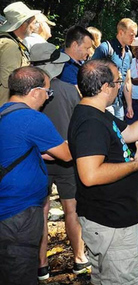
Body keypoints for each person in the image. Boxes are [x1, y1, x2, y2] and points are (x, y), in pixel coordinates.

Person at [68, 59, 138, 284]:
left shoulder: (99, 114)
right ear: (105, 87)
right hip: (110, 220)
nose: (121, 86)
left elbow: (131, 132)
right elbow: (90, 175)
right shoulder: (91, 122)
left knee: (104, 277)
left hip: (109, 217)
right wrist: (135, 165)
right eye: (117, 82)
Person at [0, 66, 71, 285]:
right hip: (20, 214)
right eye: (47, 92)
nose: (48, 98)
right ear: (34, 92)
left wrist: (37, 154)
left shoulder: (3, 112)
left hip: (5, 209)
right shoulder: (32, 119)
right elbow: (67, 155)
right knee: (20, 274)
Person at [29, 43, 90, 280]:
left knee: (42, 211)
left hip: (38, 159)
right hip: (67, 158)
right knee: (72, 209)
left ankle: (41, 264)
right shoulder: (69, 90)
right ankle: (79, 258)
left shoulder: (27, 93)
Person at [92, 18, 137, 120]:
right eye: (131, 35)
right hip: (104, 102)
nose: (134, 38)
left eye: (135, 35)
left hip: (119, 104)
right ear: (121, 32)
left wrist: (129, 105)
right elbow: (90, 74)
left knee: (118, 134)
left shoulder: (128, 54)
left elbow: (127, 81)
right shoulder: (105, 49)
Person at [0, 1, 40, 105]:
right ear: (23, 25)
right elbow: (10, 81)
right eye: (33, 23)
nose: (35, 27)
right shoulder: (10, 46)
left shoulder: (11, 42)